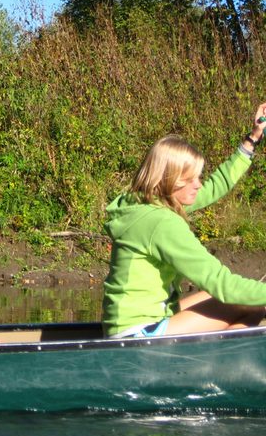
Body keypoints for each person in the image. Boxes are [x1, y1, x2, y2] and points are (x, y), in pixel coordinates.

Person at [103, 104, 266, 338]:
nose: (198, 184)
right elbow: (223, 284)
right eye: (191, 179)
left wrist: (252, 139)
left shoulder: (141, 204)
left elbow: (213, 188)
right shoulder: (162, 223)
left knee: (225, 299)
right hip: (137, 334)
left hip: (125, 324)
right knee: (251, 305)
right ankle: (218, 363)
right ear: (169, 180)